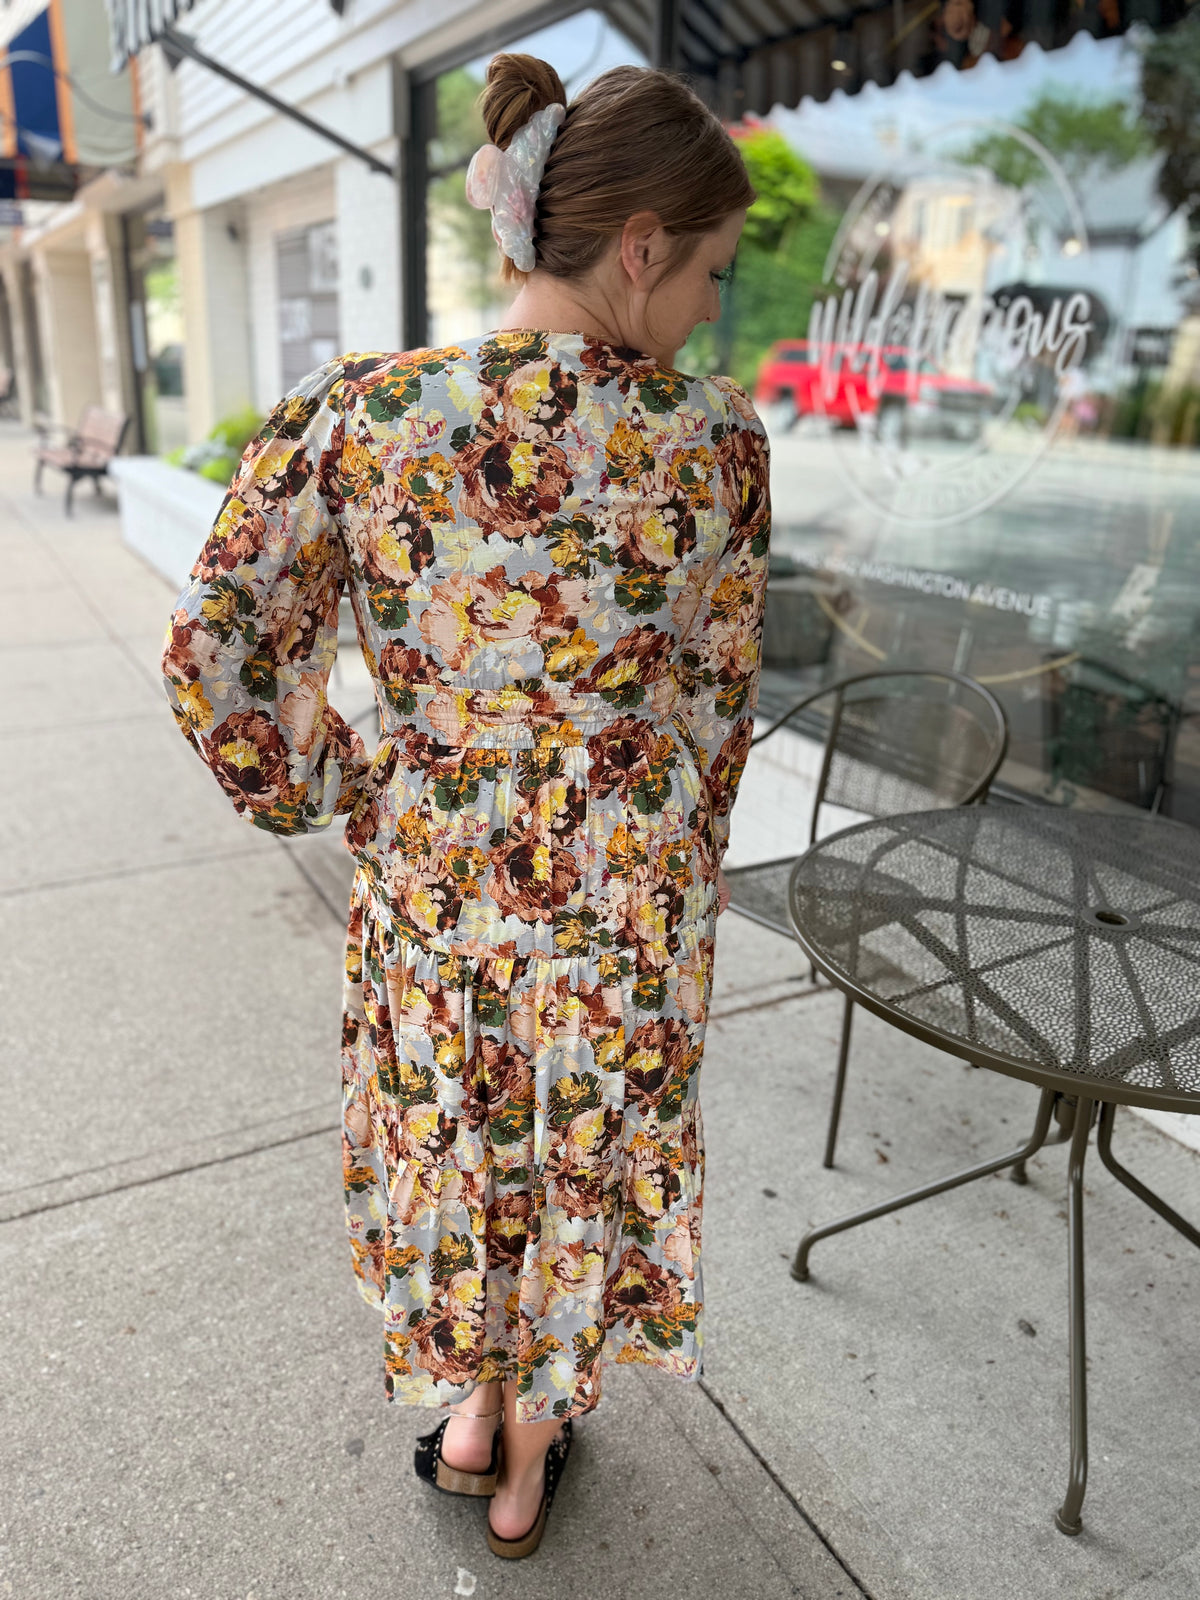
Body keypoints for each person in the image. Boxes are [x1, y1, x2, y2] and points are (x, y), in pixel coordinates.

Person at [161, 51, 770, 1561]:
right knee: (575, 1147)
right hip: (624, 904)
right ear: (637, 246)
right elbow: (715, 709)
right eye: (706, 272)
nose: (711, 305)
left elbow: (215, 651)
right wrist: (677, 850)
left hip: (435, 880)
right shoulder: (717, 446)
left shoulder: (364, 416)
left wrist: (351, 785)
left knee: (465, 1138)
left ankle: (473, 1412)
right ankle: (529, 1452)